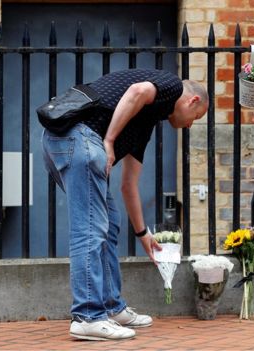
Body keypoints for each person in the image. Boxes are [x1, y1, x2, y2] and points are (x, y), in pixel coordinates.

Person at [41, 68, 208, 341]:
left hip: (69, 141)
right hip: (79, 138)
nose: (190, 125)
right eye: (196, 118)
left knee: (109, 223)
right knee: (91, 228)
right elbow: (136, 91)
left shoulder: (144, 121)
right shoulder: (172, 86)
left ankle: (110, 307)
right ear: (193, 102)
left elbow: (128, 185)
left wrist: (144, 235)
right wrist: (108, 141)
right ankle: (87, 316)